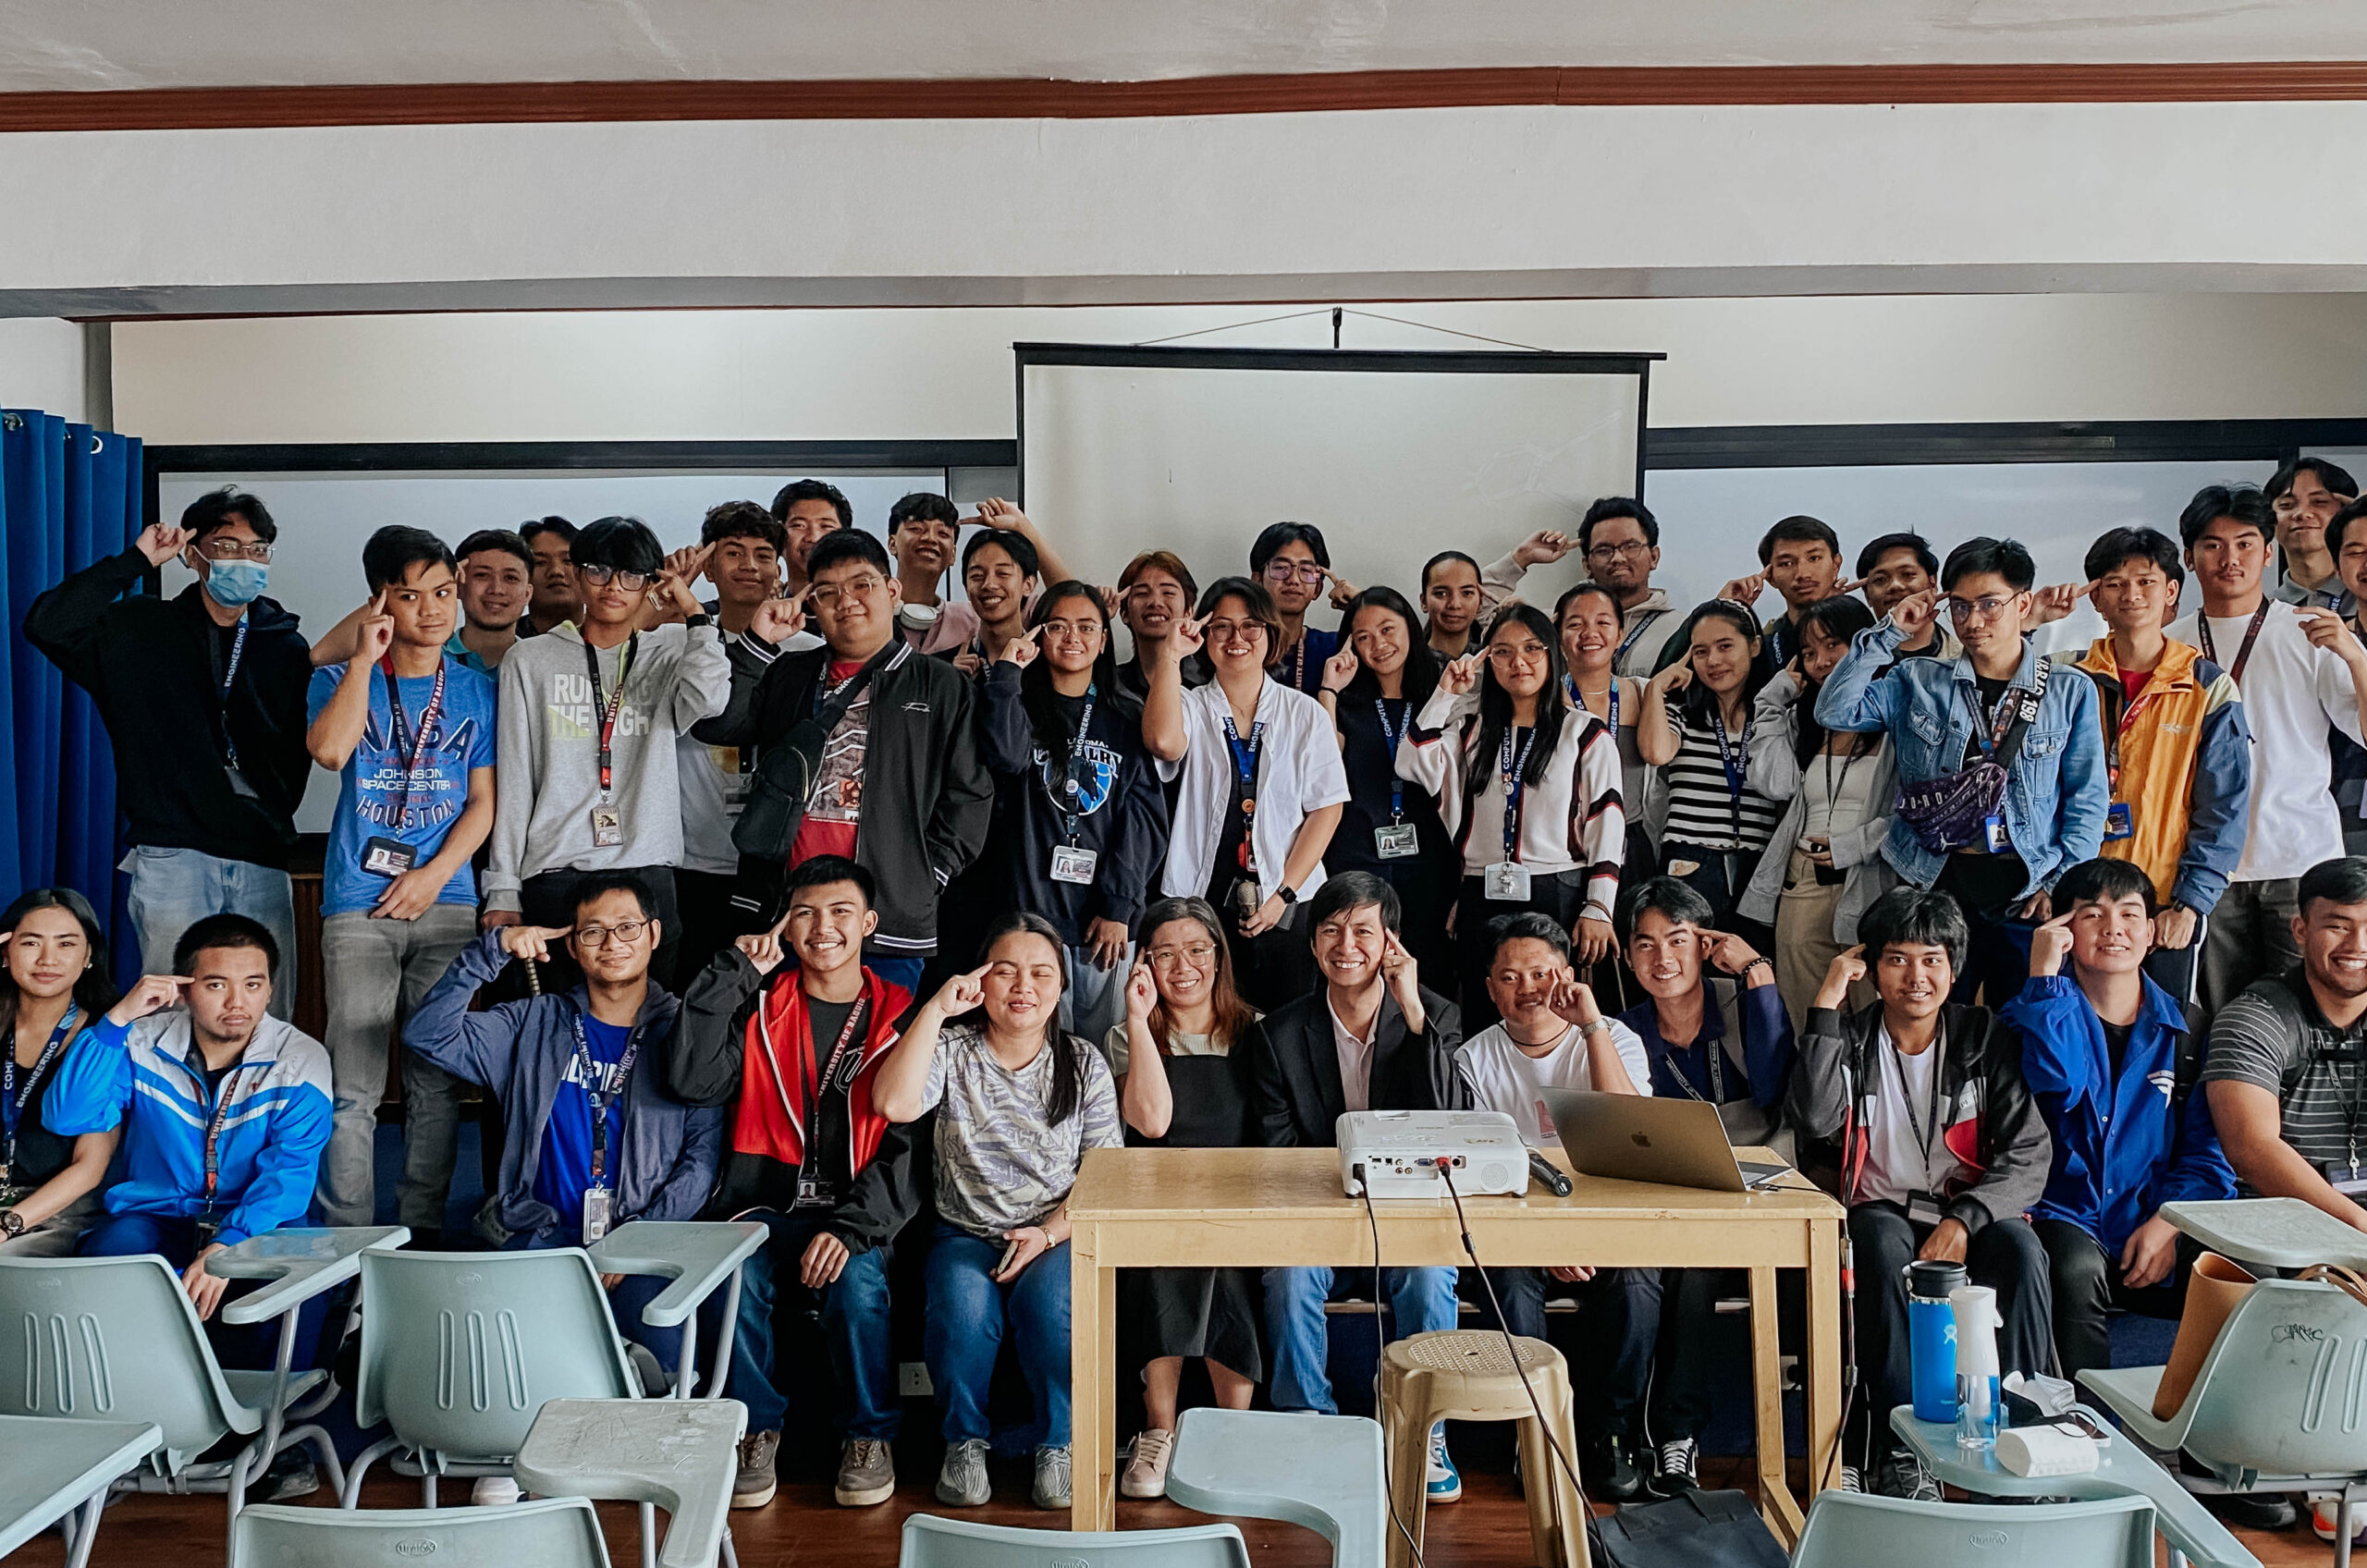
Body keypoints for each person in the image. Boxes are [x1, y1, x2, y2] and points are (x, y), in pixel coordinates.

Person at [666, 857, 920, 1512]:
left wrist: (851, 1228)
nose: (822, 927)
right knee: (734, 1276)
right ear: (785, 925)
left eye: (840, 912)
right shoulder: (758, 1005)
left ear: (869, 923)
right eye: (804, 912)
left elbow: (909, 1151)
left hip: (854, 1211)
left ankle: (869, 1435)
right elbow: (693, 1079)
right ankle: (754, 1430)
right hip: (762, 1205)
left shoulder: (900, 1018)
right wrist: (736, 970)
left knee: (856, 1283)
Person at [1786, 888, 2054, 1499]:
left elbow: (2030, 1153)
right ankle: (1903, 1449)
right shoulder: (1850, 1038)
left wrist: (1964, 1220)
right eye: (1898, 959)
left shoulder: (1983, 1037)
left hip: (1970, 1212)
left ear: (1953, 969)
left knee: (2020, 1250)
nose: (1916, 977)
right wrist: (1826, 1004)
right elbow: (1815, 1119)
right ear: (1870, 968)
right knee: (1878, 1242)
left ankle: (2024, 1432)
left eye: (1932, 959)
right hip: (1882, 1210)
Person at [403, 872, 724, 1376]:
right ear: (572, 946)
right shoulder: (533, 1022)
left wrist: (635, 1242)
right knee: (502, 1374)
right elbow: (428, 1035)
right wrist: (492, 951)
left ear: (654, 934)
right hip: (542, 1238)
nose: (612, 944)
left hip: (644, 1243)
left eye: (627, 927)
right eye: (593, 931)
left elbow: (700, 1163)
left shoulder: (687, 1034)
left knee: (655, 1376)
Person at [873, 913, 1125, 1513]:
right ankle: (964, 1444)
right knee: (960, 1314)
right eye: (1005, 971)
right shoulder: (952, 1050)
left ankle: (1059, 1444)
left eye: (1041, 973)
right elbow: (893, 1103)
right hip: (966, 1232)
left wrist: (1047, 1234)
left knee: (1050, 1311)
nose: (1023, 987)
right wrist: (935, 1010)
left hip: (1057, 1233)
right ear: (979, 981)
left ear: (1061, 987)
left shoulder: (1083, 1061)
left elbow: (1105, 1176)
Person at [25, 485, 309, 1014]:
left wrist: (271, 811)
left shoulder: (284, 645)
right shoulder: (139, 630)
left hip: (261, 854)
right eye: (227, 547)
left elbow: (299, 747)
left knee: (265, 1013)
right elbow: (48, 624)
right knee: (170, 1009)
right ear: (193, 555)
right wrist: (136, 560)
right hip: (173, 850)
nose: (244, 560)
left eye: (257, 549)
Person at [1239, 873, 1468, 1500]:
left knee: (1430, 1274)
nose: (1347, 946)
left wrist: (1413, 1010)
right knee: (1289, 1275)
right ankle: (1306, 1423)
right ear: (1313, 944)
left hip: (1409, 1215)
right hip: (1317, 1215)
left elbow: (1449, 1122)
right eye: (1332, 931)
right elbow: (1279, 1155)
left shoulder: (1436, 1015)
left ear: (1391, 941)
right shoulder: (1278, 1035)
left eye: (1363, 931)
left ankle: (1425, 1431)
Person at [692, 528, 993, 997]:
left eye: (861, 585)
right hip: (784, 912)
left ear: (892, 591)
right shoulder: (790, 672)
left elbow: (969, 794)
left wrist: (925, 874)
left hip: (887, 912)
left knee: (880, 1038)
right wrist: (756, 643)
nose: (846, 601)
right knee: (776, 1036)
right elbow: (716, 725)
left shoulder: (940, 684)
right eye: (827, 592)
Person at [1818, 536, 2109, 1008]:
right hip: (1934, 883)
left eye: (1989, 605)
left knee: (2025, 1022)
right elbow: (1834, 711)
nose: (1973, 622)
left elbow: (2087, 800)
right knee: (1933, 1021)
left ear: (2023, 604)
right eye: (1960, 606)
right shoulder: (1918, 680)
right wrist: (1889, 634)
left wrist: (2060, 885)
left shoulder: (2068, 690)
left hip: (2027, 891)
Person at [304, 527, 497, 1235]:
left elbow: (483, 803)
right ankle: (349, 1242)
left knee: (435, 1085)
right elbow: (330, 753)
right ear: (379, 600)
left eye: (443, 592)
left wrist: (435, 875)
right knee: (352, 1088)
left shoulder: (477, 689)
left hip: (447, 902)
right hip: (359, 904)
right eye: (411, 596)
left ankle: (421, 1236)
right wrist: (363, 658)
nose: (433, 610)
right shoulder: (337, 679)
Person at [51, 915, 333, 1369]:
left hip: (259, 1220)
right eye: (217, 985)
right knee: (108, 1258)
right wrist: (116, 1020)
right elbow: (67, 1116)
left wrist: (228, 1245)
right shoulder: (139, 1042)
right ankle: (126, 1395)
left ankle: (273, 1408)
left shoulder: (300, 1059)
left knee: (300, 1281)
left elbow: (289, 1175)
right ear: (183, 989)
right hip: (157, 1214)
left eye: (253, 985)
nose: (237, 1003)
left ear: (270, 990)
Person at [2000, 858, 2233, 1384]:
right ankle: (2085, 1425)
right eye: (2091, 915)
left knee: (2242, 1273)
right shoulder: (2026, 1015)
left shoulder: (2190, 1030)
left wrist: (2169, 1222)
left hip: (2159, 1214)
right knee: (2073, 1270)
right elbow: (2059, 1084)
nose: (2113, 929)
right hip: (2064, 1213)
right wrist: (2045, 980)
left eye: (2129, 914)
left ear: (2151, 932)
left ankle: (2212, 1432)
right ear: (2062, 930)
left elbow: (2209, 1155)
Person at [1451, 913, 1659, 1500]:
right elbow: (1481, 1174)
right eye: (1510, 977)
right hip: (1516, 1227)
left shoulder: (1615, 1038)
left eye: (1541, 973)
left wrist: (1589, 1027)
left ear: (1567, 976)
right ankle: (1534, 1433)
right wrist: (1544, 1239)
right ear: (1491, 988)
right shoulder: (1473, 1059)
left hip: (1605, 1219)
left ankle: (1614, 1433)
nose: (1528, 989)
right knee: (1511, 1283)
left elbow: (1631, 1136)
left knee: (1638, 1280)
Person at [487, 515, 730, 987]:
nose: (613, 586)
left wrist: (694, 613)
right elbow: (514, 781)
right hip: (558, 869)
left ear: (650, 583)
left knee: (652, 1020)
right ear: (578, 575)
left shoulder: (670, 651)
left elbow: (711, 700)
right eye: (598, 571)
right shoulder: (530, 658)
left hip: (647, 867)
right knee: (559, 1020)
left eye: (631, 575)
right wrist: (503, 889)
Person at [1613, 878, 1797, 1495]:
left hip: (1758, 1191)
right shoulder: (1625, 1030)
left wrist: (1756, 974)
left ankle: (1679, 1433)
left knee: (1696, 1260)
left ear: (1706, 946)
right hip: (1674, 1197)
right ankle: (1667, 1437)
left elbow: (1774, 1091)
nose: (1662, 958)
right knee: (1679, 1264)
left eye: (1678, 940)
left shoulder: (1744, 1004)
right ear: (1627, 955)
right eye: (1645, 945)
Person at [2167, 484, 2367, 1014]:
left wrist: (2355, 656)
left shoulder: (2309, 631)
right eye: (2212, 545)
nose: (2229, 559)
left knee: (2311, 1011)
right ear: (2189, 557)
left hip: (2300, 859)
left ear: (2268, 552)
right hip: (2205, 865)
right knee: (2223, 1016)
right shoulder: (2169, 643)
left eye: (2245, 544)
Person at [1106, 899, 1268, 1500]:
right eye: (1165, 954)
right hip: (1157, 1202)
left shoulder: (1257, 1031)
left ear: (1219, 956)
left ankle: (1233, 1433)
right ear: (1144, 964)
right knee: (1163, 1252)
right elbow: (1150, 1122)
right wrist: (1138, 1016)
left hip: (1240, 1201)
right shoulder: (1125, 1036)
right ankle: (1158, 1432)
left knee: (1227, 1260)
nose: (1183, 966)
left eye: (1197, 950)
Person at [1399, 604, 1625, 1026]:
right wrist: (1446, 694)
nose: (1518, 662)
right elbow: (1410, 763)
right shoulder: (1472, 730)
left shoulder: (1584, 732)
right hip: (1480, 891)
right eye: (1502, 652)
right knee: (1484, 1012)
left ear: (1552, 654)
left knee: (1553, 1015)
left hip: (1556, 888)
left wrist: (1598, 905)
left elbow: (1606, 821)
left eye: (1531, 649)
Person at [1143, 577, 1347, 1011]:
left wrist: (1283, 895)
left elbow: (1326, 809)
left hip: (1288, 898)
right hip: (1205, 895)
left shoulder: (1304, 712)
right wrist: (1170, 656)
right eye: (1221, 627)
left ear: (1270, 633)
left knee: (1286, 1022)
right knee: (1209, 1020)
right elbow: (1163, 742)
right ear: (1204, 634)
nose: (1236, 638)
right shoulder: (1191, 704)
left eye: (1251, 625)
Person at [980, 582, 1169, 1045]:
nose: (1072, 637)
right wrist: (1007, 673)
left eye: (1086, 627)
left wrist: (1119, 905)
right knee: (1035, 1050)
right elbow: (1005, 758)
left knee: (1109, 1050)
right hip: (1029, 914)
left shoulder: (1126, 715)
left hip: (1104, 922)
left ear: (1103, 640)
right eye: (1057, 626)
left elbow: (1143, 819)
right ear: (1038, 634)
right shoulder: (1017, 703)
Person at [2072, 527, 2250, 1002]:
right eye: (2114, 584)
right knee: (2074, 1024)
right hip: (2080, 898)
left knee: (2165, 1028)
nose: (2131, 594)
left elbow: (2225, 807)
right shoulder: (2068, 677)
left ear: (2171, 591)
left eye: (2145, 582)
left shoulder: (2208, 686)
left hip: (2165, 901)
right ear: (2096, 599)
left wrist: (2192, 903)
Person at [1741, 594, 1896, 1023]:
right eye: (1808, 653)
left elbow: (1913, 814)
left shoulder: (1898, 720)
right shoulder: (1806, 722)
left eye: (1832, 646)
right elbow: (1774, 783)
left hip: (1870, 880)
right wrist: (1773, 699)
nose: (1820, 662)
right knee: (1807, 1013)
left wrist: (1851, 847)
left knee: (1876, 1012)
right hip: (1803, 881)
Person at [673, 501, 791, 979]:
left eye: (763, 555)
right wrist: (672, 594)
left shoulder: (805, 648)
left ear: (778, 569)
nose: (749, 566)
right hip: (692, 857)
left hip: (772, 862)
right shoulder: (678, 643)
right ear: (708, 566)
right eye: (734, 553)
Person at [1318, 587, 1456, 976]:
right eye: (1363, 637)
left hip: (1431, 860)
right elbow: (1324, 765)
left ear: (1410, 626)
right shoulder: (1346, 702)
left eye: (1387, 629)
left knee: (1429, 971)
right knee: (1361, 969)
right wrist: (1329, 690)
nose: (1378, 645)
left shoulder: (1441, 695)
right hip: (1358, 857)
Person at [1639, 599, 1781, 944]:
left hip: (1757, 864)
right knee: (1687, 965)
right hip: (1689, 860)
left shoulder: (1774, 718)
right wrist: (1655, 688)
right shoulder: (1682, 714)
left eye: (1725, 646)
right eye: (1700, 652)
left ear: (1754, 646)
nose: (1713, 661)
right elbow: (1656, 753)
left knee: (1752, 964)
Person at [0, 890, 120, 1256]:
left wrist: (7, 1225)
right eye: (30, 943)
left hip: (58, 1215)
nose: (47, 959)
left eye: (66, 944)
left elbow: (90, 1168)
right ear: (5, 951)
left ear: (88, 955)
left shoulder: (107, 1038)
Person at [1557, 584, 1650, 858]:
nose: (1590, 633)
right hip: (1565, 843)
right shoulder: (1544, 701)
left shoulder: (1642, 693)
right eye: (1576, 624)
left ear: (1620, 634)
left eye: (1603, 622)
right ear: (1559, 636)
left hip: (1631, 840)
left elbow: (1659, 755)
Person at [1418, 530, 1577, 658]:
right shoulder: (1408, 661)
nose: (1455, 604)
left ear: (1480, 602)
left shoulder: (1496, 661)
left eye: (1467, 593)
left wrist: (1526, 625)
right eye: (1441, 594)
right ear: (1423, 601)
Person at [1575, 497, 1683, 679]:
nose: (1618, 558)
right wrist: (1524, 559)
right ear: (1587, 565)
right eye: (1603, 550)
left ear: (1654, 557)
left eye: (1631, 547)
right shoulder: (1563, 624)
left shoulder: (1681, 629)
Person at [1723, 516, 1845, 672]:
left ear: (1836, 564)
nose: (1802, 574)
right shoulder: (1760, 651)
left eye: (1814, 558)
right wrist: (1721, 612)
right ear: (1770, 577)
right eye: (1786, 564)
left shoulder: (1864, 635)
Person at [1250, 521, 1351, 695]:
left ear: (1318, 588)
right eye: (1281, 568)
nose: (1293, 580)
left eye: (1306, 570)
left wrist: (1360, 603)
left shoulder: (1334, 648)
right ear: (1257, 581)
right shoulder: (1237, 644)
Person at [887, 491, 977, 655]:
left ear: (953, 555)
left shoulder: (971, 620)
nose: (930, 538)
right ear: (892, 544)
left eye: (942, 533)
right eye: (916, 529)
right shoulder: (867, 613)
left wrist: (1019, 526)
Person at [1114, 550, 1206, 704]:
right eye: (1142, 593)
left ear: (1188, 611)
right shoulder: (1110, 685)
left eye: (1168, 593)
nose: (1155, 602)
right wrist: (1098, 616)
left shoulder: (1209, 683)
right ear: (1124, 613)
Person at [2268, 456, 2358, 613]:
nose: (2302, 513)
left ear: (2345, 511)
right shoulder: (2266, 612)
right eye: (2286, 505)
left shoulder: (2362, 595)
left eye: (2319, 502)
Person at [1854, 533, 1959, 663]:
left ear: (1932, 583)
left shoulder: (1969, 661)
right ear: (1867, 595)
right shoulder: (1853, 662)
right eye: (1880, 579)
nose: (1895, 586)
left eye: (1908, 574)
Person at [951, 526, 1040, 677]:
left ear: (1028, 585)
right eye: (977, 576)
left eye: (1003, 573)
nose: (989, 584)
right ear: (966, 588)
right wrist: (950, 681)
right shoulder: (944, 667)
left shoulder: (1048, 663)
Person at [450, 528, 535, 673]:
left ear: (527, 594)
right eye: (482, 575)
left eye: (510, 578)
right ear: (458, 587)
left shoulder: (542, 666)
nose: (496, 589)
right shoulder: (428, 660)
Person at [772, 478, 852, 596]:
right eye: (799, 525)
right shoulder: (760, 606)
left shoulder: (860, 605)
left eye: (826, 526)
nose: (814, 537)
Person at [518, 517, 583, 637]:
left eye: (568, 560)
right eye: (540, 562)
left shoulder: (613, 639)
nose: (556, 571)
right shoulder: (506, 641)